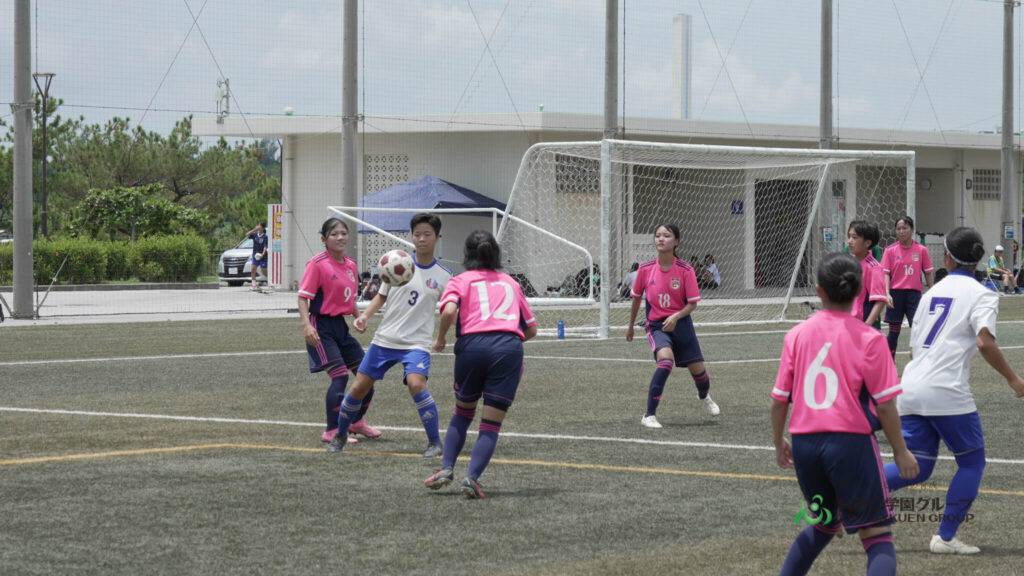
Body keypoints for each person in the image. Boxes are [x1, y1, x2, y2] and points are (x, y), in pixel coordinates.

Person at [771, 252, 919, 576]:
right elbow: (885, 405)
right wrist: (900, 451)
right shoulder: (871, 339)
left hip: (805, 445)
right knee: (877, 535)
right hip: (850, 444)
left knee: (824, 524)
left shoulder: (796, 334)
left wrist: (779, 441)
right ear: (860, 291)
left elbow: (779, 400)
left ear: (818, 290)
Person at [882, 227, 1024, 555]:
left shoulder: (930, 293)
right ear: (978, 259)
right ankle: (944, 538)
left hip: (911, 386)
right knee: (972, 463)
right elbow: (985, 342)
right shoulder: (982, 294)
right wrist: (1014, 379)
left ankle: (849, 493)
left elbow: (914, 351)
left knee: (918, 465)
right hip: (947, 390)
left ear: (947, 257)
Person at [424, 230, 537, 499]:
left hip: (472, 346)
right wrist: (507, 342)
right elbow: (532, 329)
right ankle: (472, 478)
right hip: (508, 348)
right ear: (495, 253)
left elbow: (449, 311)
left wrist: (441, 339)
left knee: (463, 413)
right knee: (491, 424)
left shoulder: (460, 280)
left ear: (467, 255)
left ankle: (446, 468)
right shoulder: (511, 282)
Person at [331, 214, 452, 457]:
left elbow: (451, 308)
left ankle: (435, 442)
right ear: (412, 237)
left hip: (417, 343)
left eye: (427, 234)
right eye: (417, 234)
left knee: (417, 385)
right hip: (385, 339)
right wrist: (365, 316)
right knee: (358, 388)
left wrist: (444, 336)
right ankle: (340, 434)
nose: (422, 239)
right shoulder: (397, 262)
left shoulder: (444, 275)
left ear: (438, 237)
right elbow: (381, 295)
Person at [297, 218, 381, 452]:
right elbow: (303, 297)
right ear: (324, 239)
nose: (340, 237)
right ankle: (331, 430)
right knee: (340, 376)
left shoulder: (351, 265)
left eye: (343, 233)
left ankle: (357, 421)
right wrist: (307, 326)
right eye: (334, 234)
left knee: (367, 375)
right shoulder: (317, 264)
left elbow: (350, 297)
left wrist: (358, 316)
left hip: (340, 327)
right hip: (320, 326)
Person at [626, 224, 719, 429]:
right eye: (658, 235)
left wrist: (676, 317)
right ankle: (649, 415)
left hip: (682, 325)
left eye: (666, 236)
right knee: (665, 362)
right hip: (657, 326)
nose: (661, 239)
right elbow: (636, 299)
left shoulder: (686, 270)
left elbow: (692, 303)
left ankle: (704, 396)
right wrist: (631, 326)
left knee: (701, 375)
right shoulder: (645, 269)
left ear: (676, 242)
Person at [881, 216, 934, 358]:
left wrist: (932, 292)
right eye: (898, 228)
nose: (901, 231)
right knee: (893, 332)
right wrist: (887, 293)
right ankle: (889, 365)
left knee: (918, 330)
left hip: (914, 296)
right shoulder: (890, 250)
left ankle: (920, 363)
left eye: (905, 228)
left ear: (912, 229)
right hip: (895, 295)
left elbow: (928, 273)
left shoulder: (921, 250)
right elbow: (885, 274)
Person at [847, 220, 886, 328]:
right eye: (849, 236)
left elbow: (880, 301)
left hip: (862, 324)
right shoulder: (848, 262)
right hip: (848, 322)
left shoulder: (874, 268)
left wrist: (866, 326)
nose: (849, 241)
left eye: (854, 237)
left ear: (867, 243)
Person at [247, 222, 269, 290]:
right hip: (255, 255)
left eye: (259, 225)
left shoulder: (265, 236)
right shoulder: (255, 234)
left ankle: (270, 282)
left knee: (264, 271)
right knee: (253, 269)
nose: (258, 226)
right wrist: (254, 229)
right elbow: (247, 234)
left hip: (263, 256)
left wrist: (262, 254)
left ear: (262, 228)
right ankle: (253, 285)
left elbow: (265, 247)